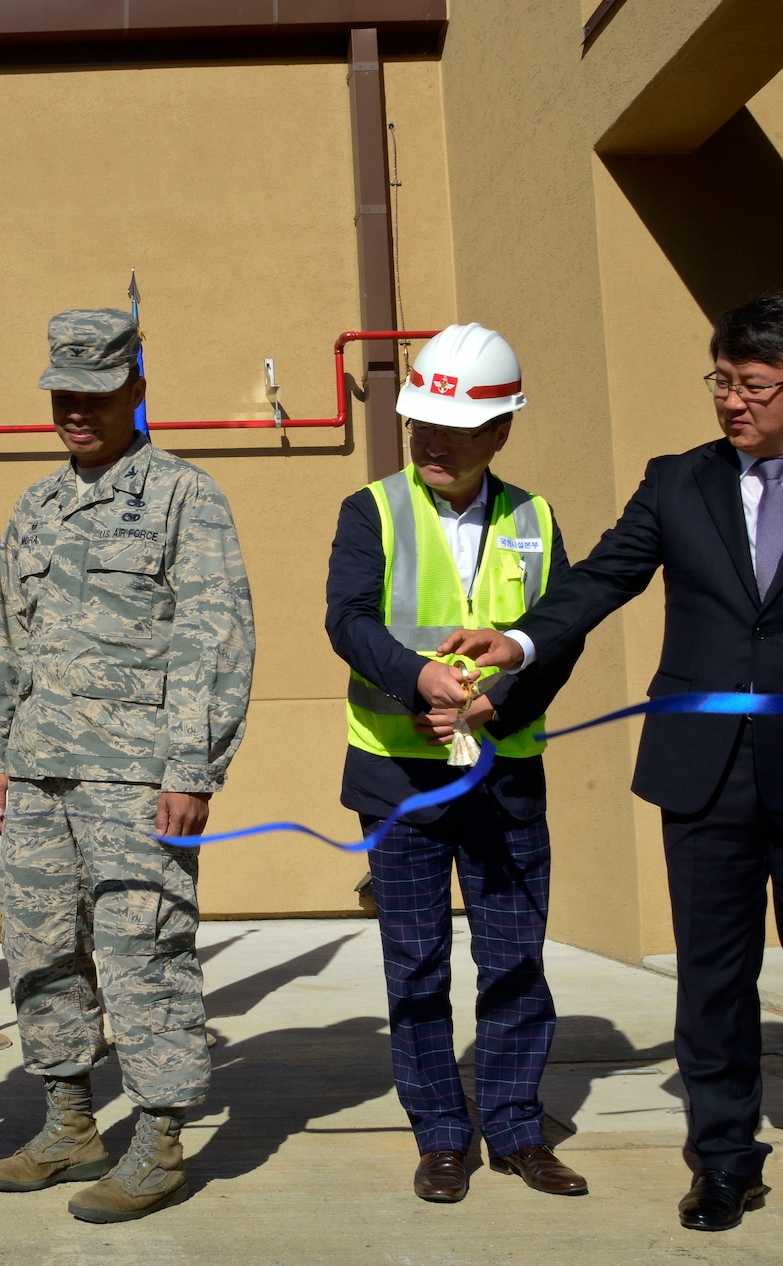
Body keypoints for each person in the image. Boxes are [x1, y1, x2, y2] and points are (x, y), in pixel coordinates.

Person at [442, 295, 783, 1236]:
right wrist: (516, 642)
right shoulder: (677, 482)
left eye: (753, 385)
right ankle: (721, 1159)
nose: (732, 403)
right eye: (721, 381)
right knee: (714, 975)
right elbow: (598, 579)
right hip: (702, 773)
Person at [0, 308, 255, 1224]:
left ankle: (162, 1141)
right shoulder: (39, 505)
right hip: (40, 774)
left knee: (145, 954)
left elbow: (215, 640)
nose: (75, 412)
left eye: (95, 394)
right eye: (63, 394)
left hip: (137, 782)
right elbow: (8, 644)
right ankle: (69, 1123)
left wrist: (191, 770)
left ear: (137, 389)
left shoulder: (183, 497)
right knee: (41, 951)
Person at [324, 323, 588, 1205]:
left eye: (457, 430)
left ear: (502, 430)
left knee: (514, 956)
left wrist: (495, 704)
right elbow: (349, 620)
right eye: (420, 426)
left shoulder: (537, 517)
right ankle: (441, 1134)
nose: (433, 444)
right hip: (399, 775)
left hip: (504, 773)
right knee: (417, 959)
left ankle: (515, 1128)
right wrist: (419, 681)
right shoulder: (372, 509)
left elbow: (559, 638)